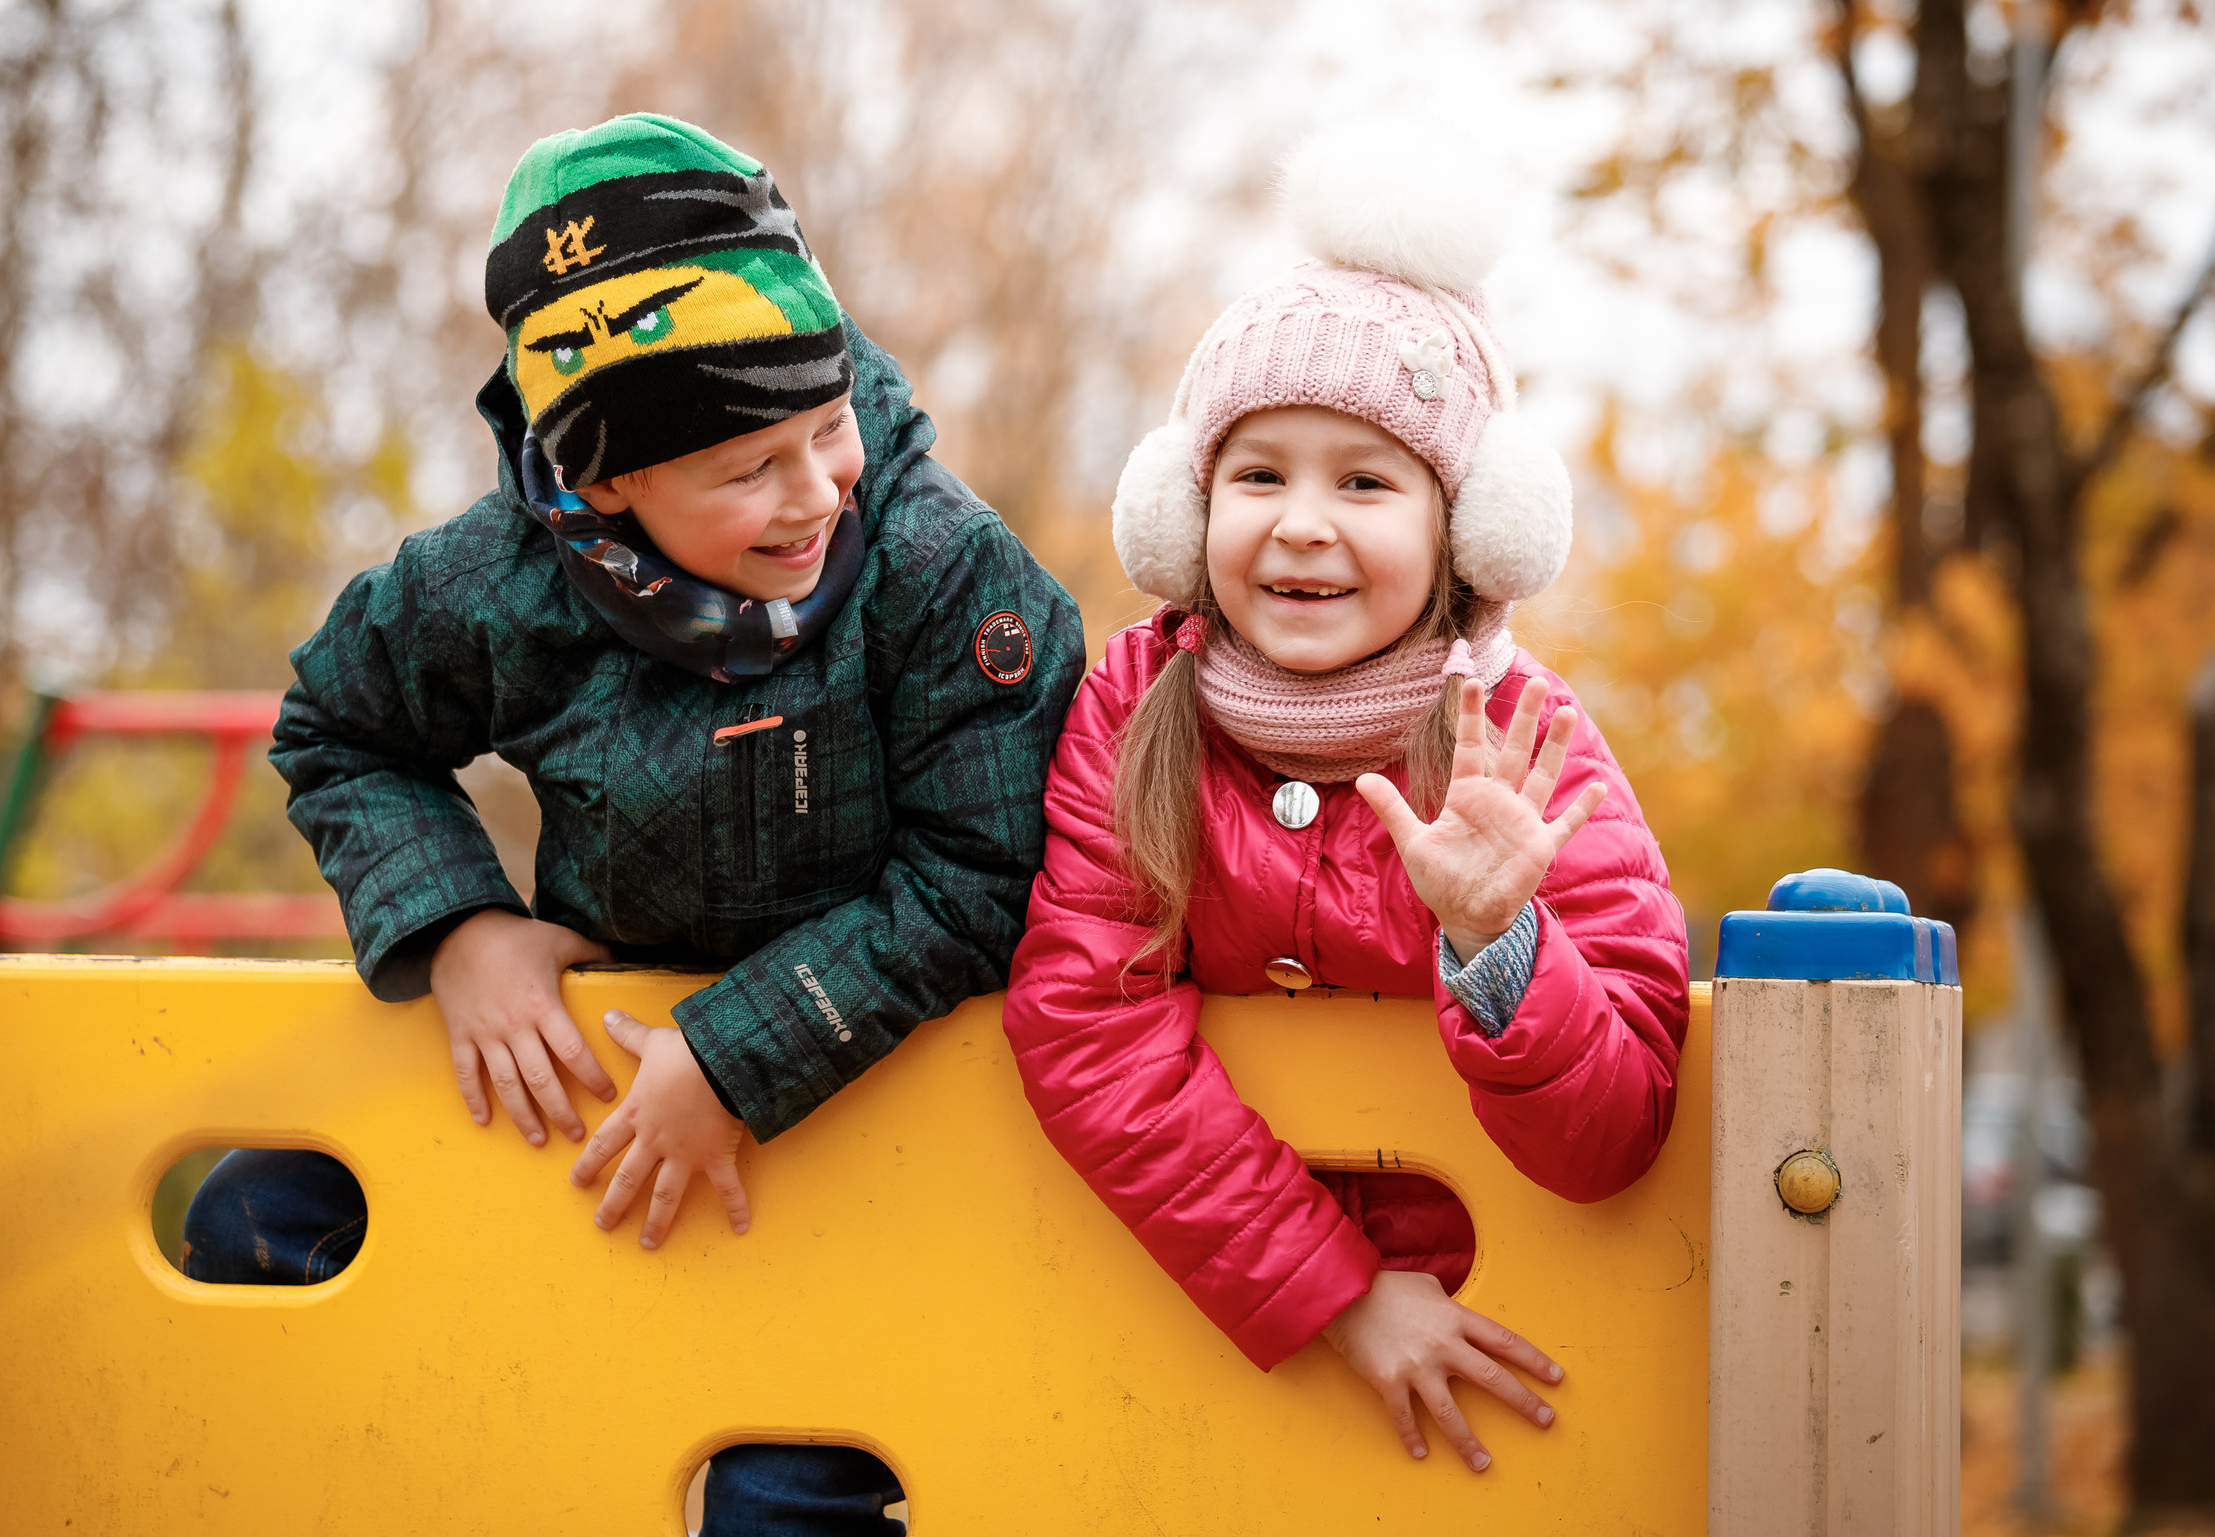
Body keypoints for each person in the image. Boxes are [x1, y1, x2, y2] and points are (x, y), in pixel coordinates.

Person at [184, 112, 1083, 1533]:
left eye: (828, 426)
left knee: (782, 1482)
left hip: (871, 1081)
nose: (817, 491)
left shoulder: (942, 568)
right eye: (747, 470)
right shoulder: (499, 584)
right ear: (607, 483)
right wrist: (463, 928)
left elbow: (983, 875)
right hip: (611, 1052)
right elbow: (340, 730)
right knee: (247, 1220)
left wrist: (736, 1052)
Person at [1002, 127, 1691, 1477]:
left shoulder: (1522, 744)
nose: (1302, 522)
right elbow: (1086, 1018)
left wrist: (1499, 942)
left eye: (1364, 481)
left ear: (1466, 531)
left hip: (1488, 1358)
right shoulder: (1137, 708)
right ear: (1186, 507)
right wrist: (1336, 1295)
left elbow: (1618, 1126)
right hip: (1197, 1337)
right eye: (1258, 474)